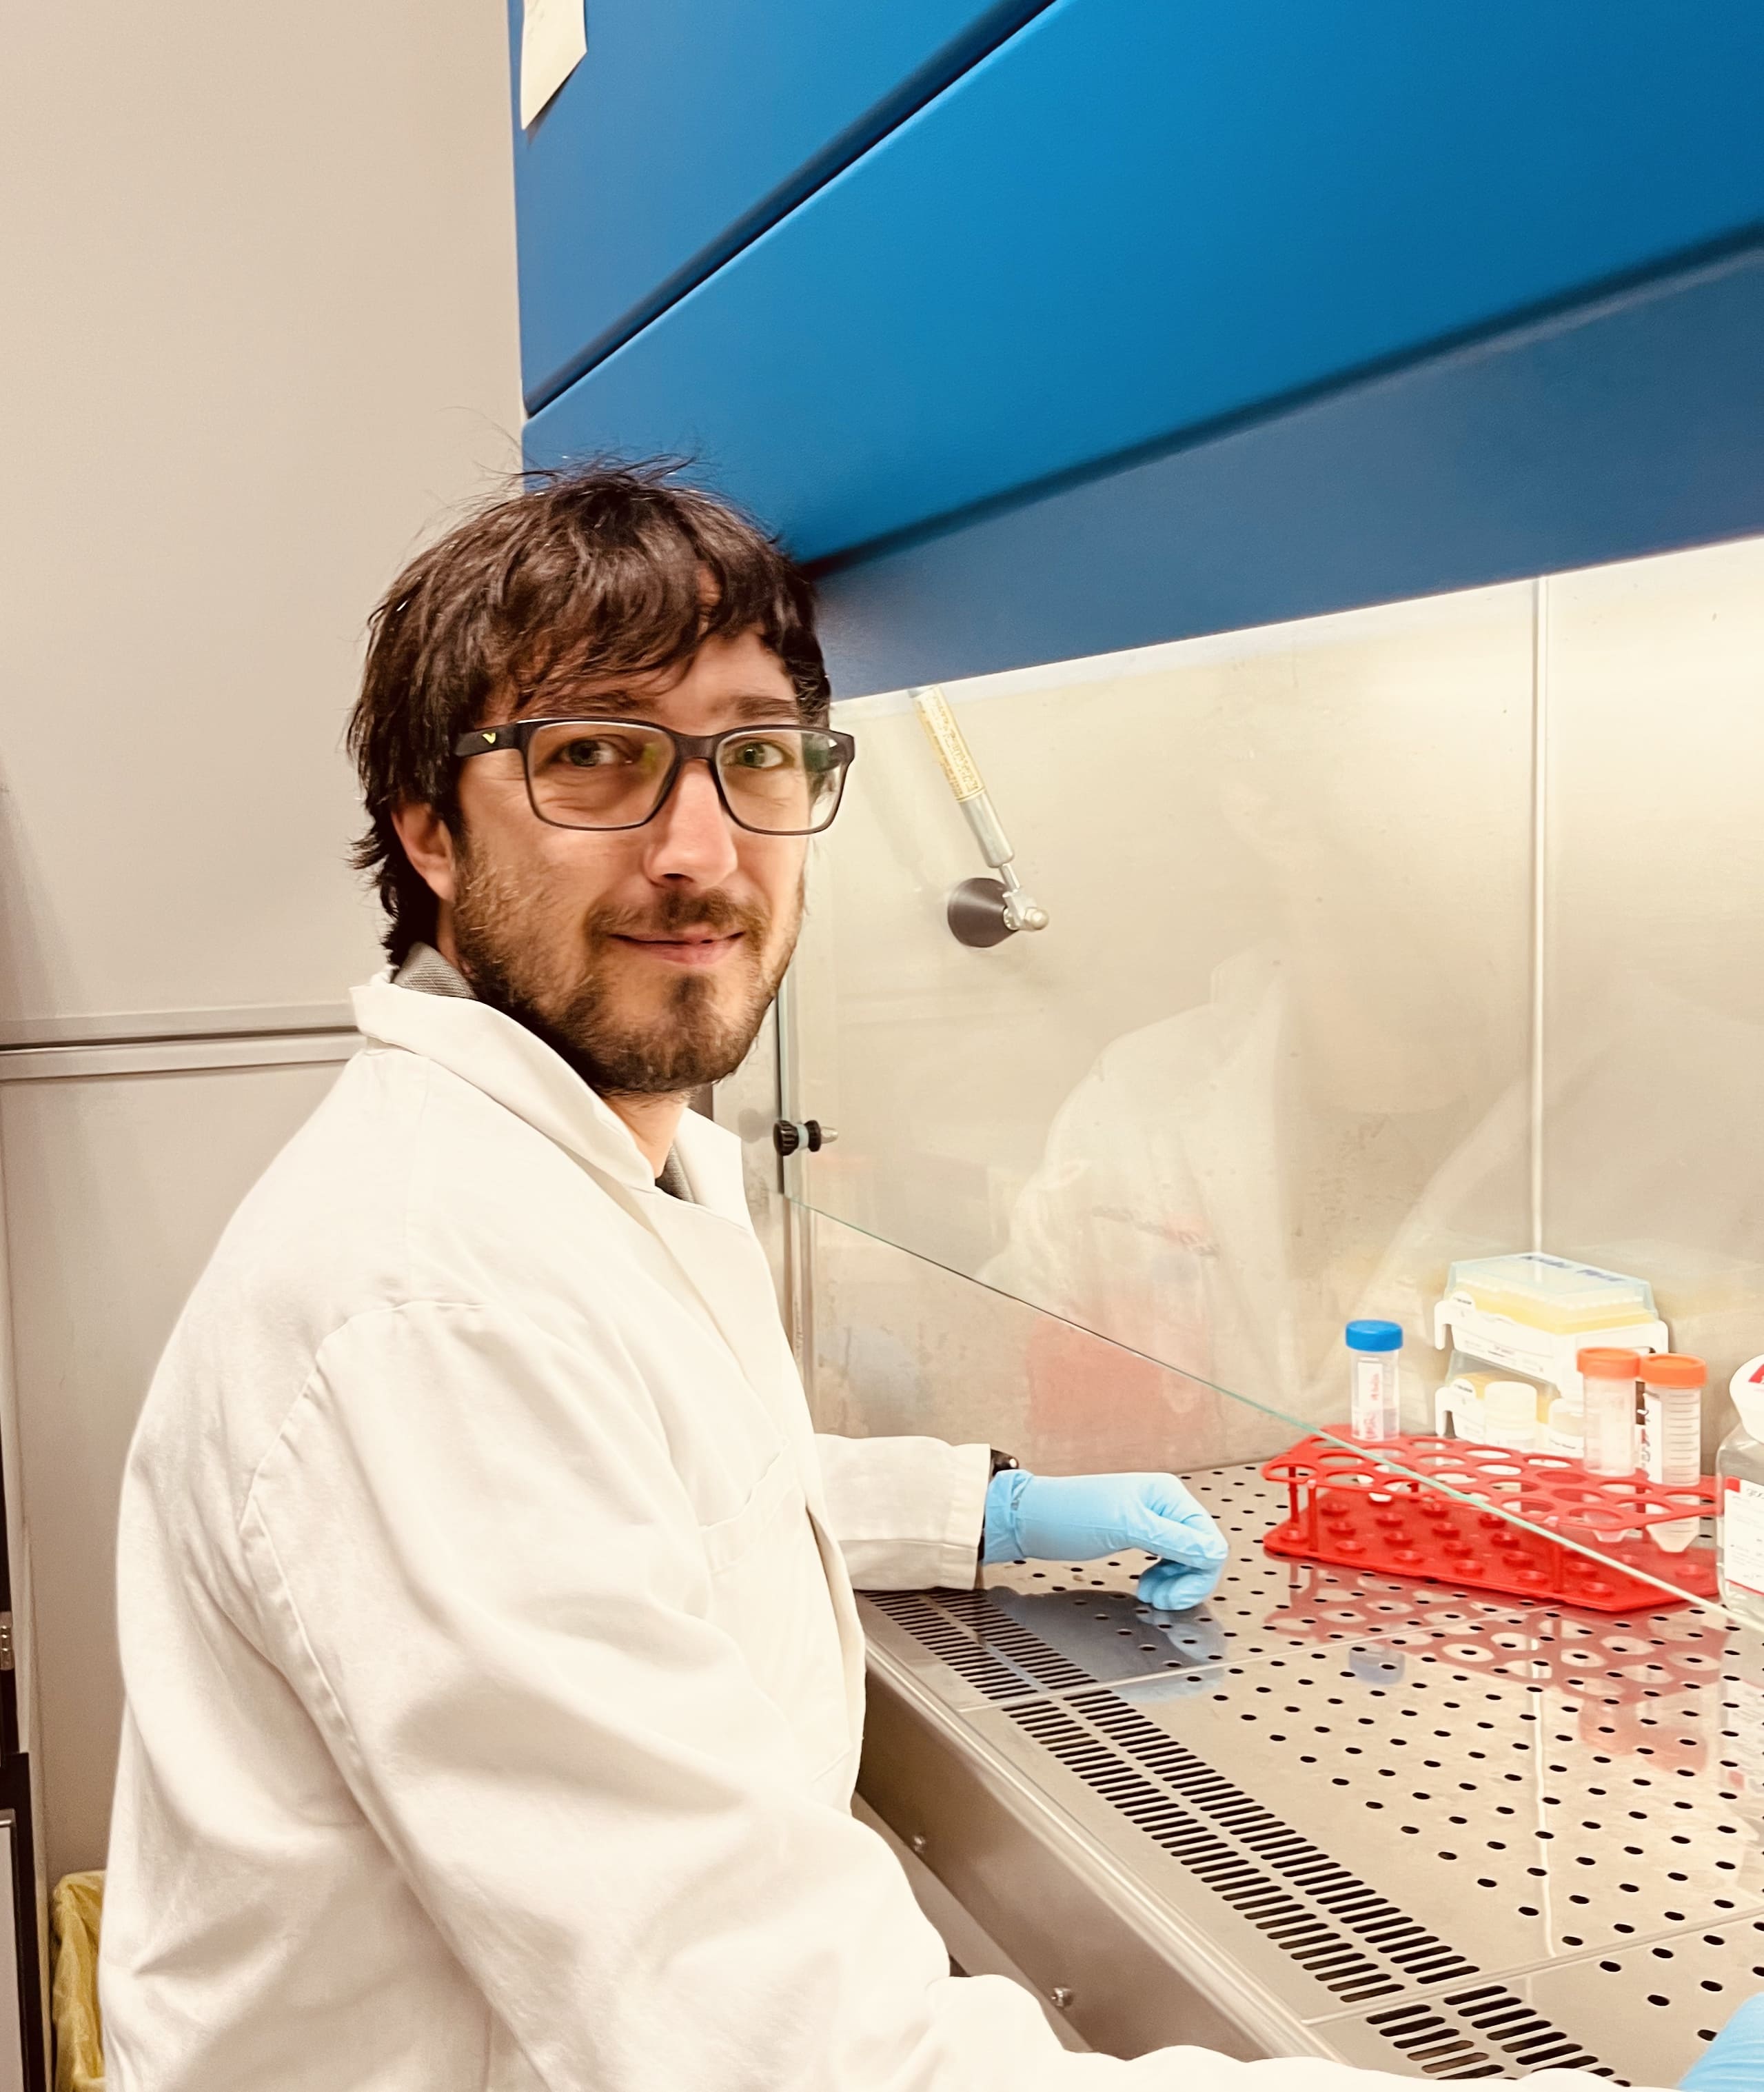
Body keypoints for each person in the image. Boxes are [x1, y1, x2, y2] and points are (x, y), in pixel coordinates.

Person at [97, 463, 1731, 2091]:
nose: (698, 848)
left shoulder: (607, 1161)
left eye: (755, 754)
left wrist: (969, 1509)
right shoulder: (431, 1311)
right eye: (594, 755)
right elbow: (805, 2057)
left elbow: (652, 1490)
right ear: (430, 829)